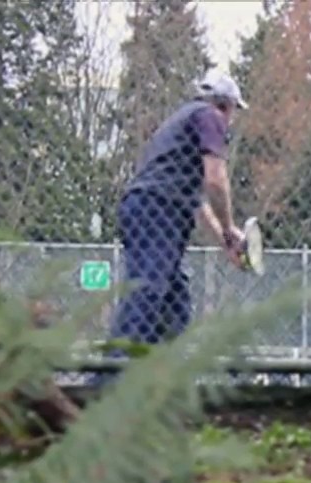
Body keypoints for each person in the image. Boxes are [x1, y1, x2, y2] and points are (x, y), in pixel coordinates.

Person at [107, 69, 250, 350]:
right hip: (155, 210)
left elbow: (198, 202)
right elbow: (216, 180)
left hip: (153, 210)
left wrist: (225, 238)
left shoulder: (186, 120)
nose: (232, 119)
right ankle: (112, 374)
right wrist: (231, 226)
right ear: (226, 105)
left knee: (175, 304)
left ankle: (160, 371)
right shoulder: (210, 117)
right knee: (148, 290)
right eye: (234, 110)